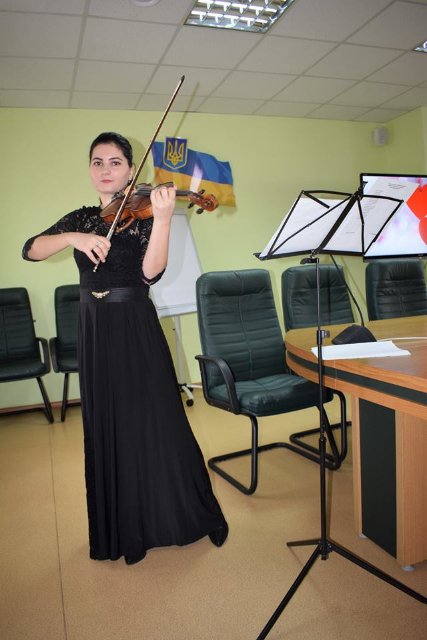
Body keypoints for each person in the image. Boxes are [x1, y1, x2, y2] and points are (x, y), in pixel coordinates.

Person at [22, 131, 228, 565]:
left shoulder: (147, 213)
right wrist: (73, 238)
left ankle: (184, 514)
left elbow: (150, 273)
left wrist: (165, 219)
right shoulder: (81, 218)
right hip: (94, 328)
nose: (105, 170)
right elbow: (32, 250)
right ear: (89, 169)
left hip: (133, 322)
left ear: (131, 171)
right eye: (97, 162)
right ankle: (122, 527)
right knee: (107, 424)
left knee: (158, 419)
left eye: (115, 162)